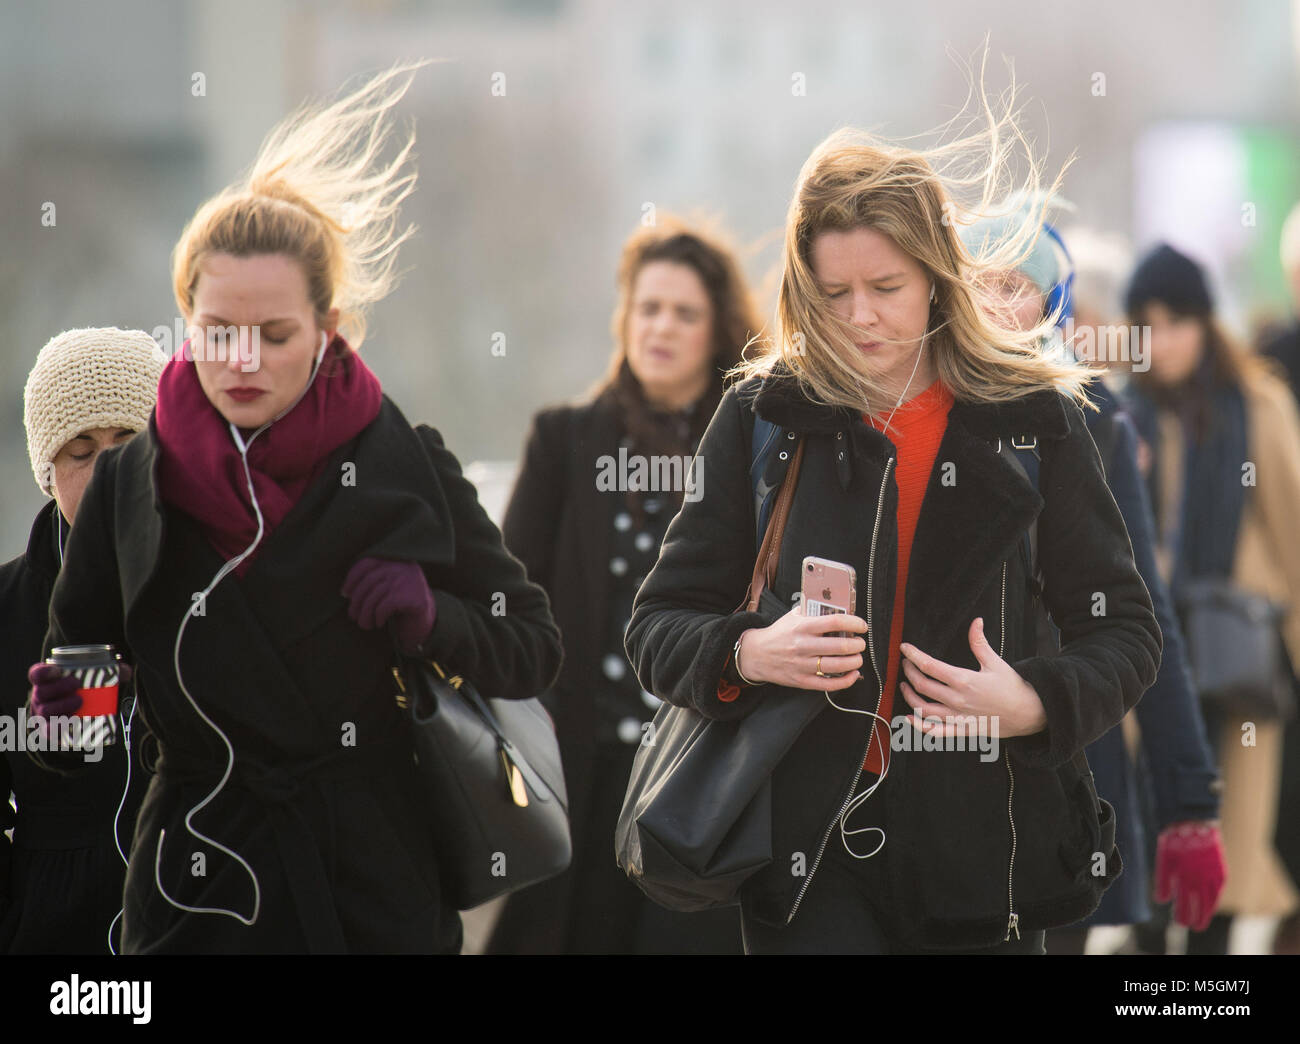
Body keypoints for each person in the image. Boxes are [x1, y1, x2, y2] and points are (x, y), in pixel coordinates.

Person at [25, 62, 562, 954]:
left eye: (274, 336)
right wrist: (68, 713)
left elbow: (534, 645)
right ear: (184, 322)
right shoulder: (129, 484)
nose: (243, 361)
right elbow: (75, 704)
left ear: (330, 328)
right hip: (198, 887)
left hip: (372, 891)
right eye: (217, 333)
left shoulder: (404, 461)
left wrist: (432, 619)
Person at [624, 109, 1163, 955]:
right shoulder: (762, 415)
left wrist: (1033, 701)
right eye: (833, 294)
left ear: (938, 278)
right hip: (805, 861)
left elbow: (1127, 633)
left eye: (887, 289)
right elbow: (658, 625)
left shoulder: (1036, 420)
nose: (860, 318)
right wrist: (746, 653)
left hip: (988, 860)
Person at [485, 217, 757, 954]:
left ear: (717, 329)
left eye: (685, 312)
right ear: (624, 317)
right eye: (648, 307)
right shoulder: (563, 439)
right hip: (580, 773)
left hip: (704, 778)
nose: (661, 326)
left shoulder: (755, 447)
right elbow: (506, 600)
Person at [959, 213, 1225, 953]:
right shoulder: (911, 406)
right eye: (975, 278)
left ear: (1051, 304)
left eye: (1015, 284)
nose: (989, 299)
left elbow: (1145, 618)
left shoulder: (1090, 419)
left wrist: (1189, 804)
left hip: (1060, 766)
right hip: (930, 778)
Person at [1123, 242, 1300, 955]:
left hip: (1235, 671)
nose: (1160, 342)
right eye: (1146, 324)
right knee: (1145, 877)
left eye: (1176, 323)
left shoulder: (1255, 404)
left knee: (1219, 886)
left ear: (1205, 323)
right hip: (1147, 672)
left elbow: (1294, 534)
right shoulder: (1123, 412)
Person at [0, 327, 163, 953]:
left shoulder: (219, 594)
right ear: (48, 470)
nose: (109, 470)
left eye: (130, 442)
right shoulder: (8, 608)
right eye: (81, 449)